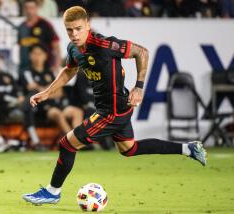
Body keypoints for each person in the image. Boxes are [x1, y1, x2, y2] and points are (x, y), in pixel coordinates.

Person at [22, 6, 207, 204]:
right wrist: (47, 92)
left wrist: (139, 87)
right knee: (129, 149)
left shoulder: (105, 45)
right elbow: (69, 70)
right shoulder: (73, 48)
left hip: (113, 110)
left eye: (78, 29)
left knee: (67, 144)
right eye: (69, 30)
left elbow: (141, 52)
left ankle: (52, 192)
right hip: (112, 108)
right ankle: (189, 149)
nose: (74, 34)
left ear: (87, 25)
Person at [0, 50, 45, 151]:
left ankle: (34, 141)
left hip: (15, 108)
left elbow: (17, 90)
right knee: (28, 106)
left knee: (30, 102)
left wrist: (20, 97)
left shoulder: (7, 76)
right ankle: (35, 141)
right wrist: (16, 100)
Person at [20, 44, 77, 134]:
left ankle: (82, 140)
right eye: (34, 54)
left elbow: (59, 92)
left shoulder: (50, 72)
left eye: (40, 54)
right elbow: (33, 90)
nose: (37, 57)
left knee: (76, 111)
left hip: (58, 104)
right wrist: (50, 90)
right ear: (30, 56)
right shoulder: (27, 72)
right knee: (57, 113)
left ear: (45, 56)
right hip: (42, 109)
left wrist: (43, 90)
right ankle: (72, 141)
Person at [17, 0, 61, 72]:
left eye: (31, 8)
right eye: (26, 8)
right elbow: (21, 47)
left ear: (37, 8)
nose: (29, 11)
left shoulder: (45, 24)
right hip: (25, 68)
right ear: (24, 9)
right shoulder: (22, 26)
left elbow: (56, 47)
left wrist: (56, 66)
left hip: (44, 68)